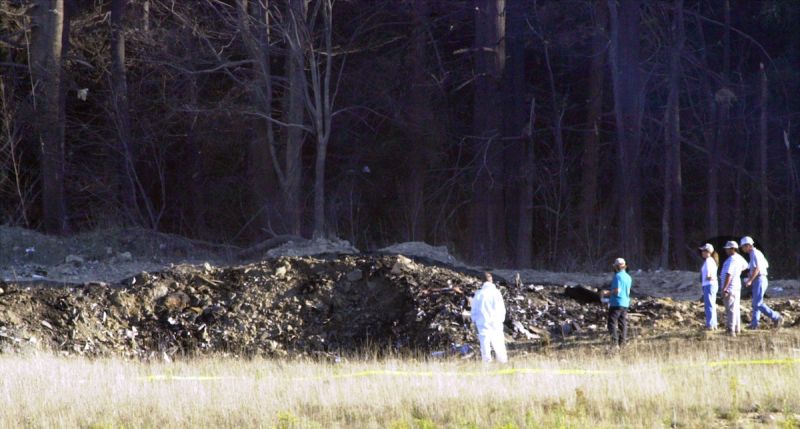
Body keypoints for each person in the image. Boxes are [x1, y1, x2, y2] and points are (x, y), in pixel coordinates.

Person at [740, 236, 783, 329]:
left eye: (743, 246)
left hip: (759, 279)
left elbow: (758, 268)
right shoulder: (754, 254)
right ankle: (754, 324)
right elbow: (764, 265)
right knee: (756, 303)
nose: (742, 249)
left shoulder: (755, 253)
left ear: (748, 245)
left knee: (758, 303)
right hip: (758, 279)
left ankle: (776, 317)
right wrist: (750, 275)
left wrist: (750, 280)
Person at [470, 273, 507, 363]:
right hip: (496, 321)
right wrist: (501, 319)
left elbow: (474, 309)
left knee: (485, 343)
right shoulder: (496, 293)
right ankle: (502, 362)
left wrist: (474, 320)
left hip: (482, 322)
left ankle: (487, 363)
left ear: (482, 281)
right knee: (498, 342)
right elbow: (501, 308)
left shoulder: (479, 294)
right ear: (491, 281)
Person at [602, 258, 631, 347]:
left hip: (616, 303)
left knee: (611, 323)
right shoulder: (628, 277)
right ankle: (622, 343)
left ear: (617, 266)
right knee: (622, 323)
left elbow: (617, 290)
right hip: (625, 303)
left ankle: (614, 344)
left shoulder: (617, 276)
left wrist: (607, 293)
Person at [720, 241, 748, 337]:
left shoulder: (732, 260)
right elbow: (746, 266)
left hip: (730, 287)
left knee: (730, 309)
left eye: (727, 248)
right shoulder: (739, 258)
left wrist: (725, 288)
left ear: (732, 249)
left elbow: (729, 274)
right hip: (736, 286)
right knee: (735, 308)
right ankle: (737, 329)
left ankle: (731, 330)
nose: (726, 250)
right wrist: (738, 271)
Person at [698, 243, 719, 330]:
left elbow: (709, 275)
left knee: (709, 305)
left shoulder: (708, 261)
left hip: (709, 285)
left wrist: (707, 277)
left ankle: (710, 324)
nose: (702, 252)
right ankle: (713, 324)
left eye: (704, 251)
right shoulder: (711, 260)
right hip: (710, 285)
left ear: (708, 252)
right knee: (711, 304)